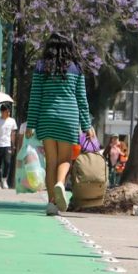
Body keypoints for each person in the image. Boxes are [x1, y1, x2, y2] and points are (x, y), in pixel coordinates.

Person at [26, 33, 95, 215]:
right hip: (69, 117)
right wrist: (87, 126)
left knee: (51, 162)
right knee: (65, 160)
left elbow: (35, 97)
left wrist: (31, 124)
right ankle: (60, 183)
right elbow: (82, 99)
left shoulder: (42, 67)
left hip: (47, 117)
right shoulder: (76, 68)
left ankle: (51, 203)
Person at [0, 103, 17, 189]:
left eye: (9, 111)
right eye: (6, 111)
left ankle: (4, 179)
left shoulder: (12, 121)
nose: (8, 113)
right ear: (2, 112)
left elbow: (13, 134)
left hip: (7, 145)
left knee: (7, 162)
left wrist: (13, 145)